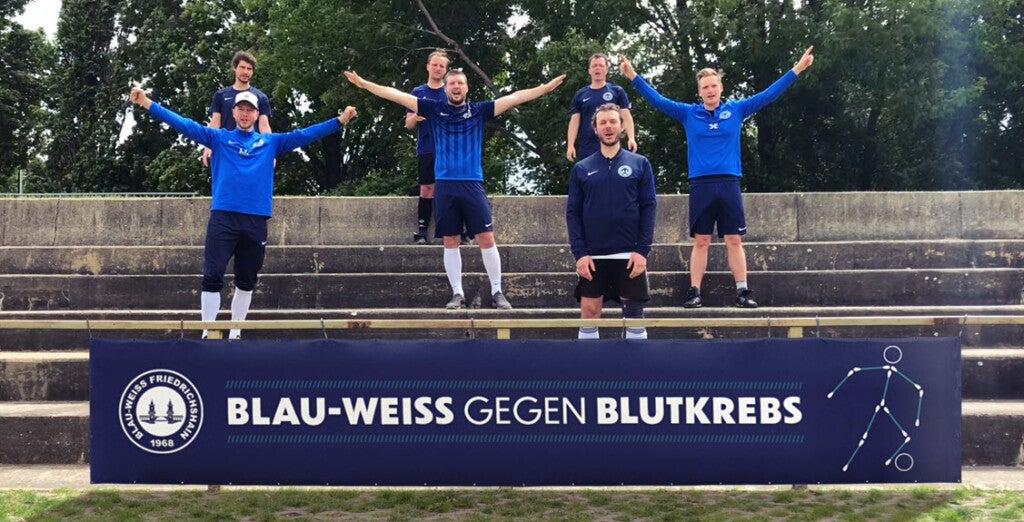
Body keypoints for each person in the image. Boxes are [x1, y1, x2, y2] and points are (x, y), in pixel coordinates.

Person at [129, 86, 357, 338]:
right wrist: (147, 102)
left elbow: (304, 135)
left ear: (257, 114)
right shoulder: (218, 137)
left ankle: (236, 332)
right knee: (212, 275)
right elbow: (184, 125)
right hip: (224, 216)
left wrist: (340, 120)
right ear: (234, 112)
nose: (246, 114)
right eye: (241, 109)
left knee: (247, 278)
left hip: (255, 219)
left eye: (251, 110)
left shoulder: (270, 142)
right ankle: (208, 331)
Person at [345, 68, 565, 310]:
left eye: (461, 83)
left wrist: (545, 88)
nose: (457, 87)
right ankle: (457, 293)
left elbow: (514, 98)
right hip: (445, 185)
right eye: (452, 83)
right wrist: (365, 83)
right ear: (446, 88)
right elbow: (395, 95)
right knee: (450, 240)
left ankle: (497, 291)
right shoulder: (433, 108)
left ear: (467, 87)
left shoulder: (480, 110)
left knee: (486, 238)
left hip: (472, 183)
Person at [619, 47, 815, 308]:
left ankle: (743, 291)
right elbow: (658, 100)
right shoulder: (688, 112)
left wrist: (796, 70)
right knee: (701, 241)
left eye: (714, 85)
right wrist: (633, 76)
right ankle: (695, 292)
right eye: (705, 87)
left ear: (721, 88)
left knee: (734, 239)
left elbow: (768, 95)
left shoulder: (737, 109)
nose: (710, 90)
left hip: (729, 181)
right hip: (701, 183)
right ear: (699, 92)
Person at [566, 103, 656, 339]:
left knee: (635, 317)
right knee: (589, 312)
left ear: (622, 126)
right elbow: (573, 213)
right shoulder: (581, 169)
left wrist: (642, 251)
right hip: (593, 256)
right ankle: (589, 372)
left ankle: (636, 372)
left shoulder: (640, 164)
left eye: (613, 121)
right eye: (603, 122)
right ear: (595, 129)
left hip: (630, 255)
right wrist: (580, 254)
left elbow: (649, 208)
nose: (608, 127)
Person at [406, 49, 469, 245]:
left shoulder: (450, 90)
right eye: (435, 64)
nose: (438, 68)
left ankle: (461, 229)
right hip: (427, 147)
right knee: (427, 189)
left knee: (456, 187)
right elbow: (408, 123)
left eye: (442, 66)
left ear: (446, 70)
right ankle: (423, 231)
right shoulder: (418, 93)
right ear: (428, 66)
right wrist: (416, 118)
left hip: (451, 148)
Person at [201, 51, 273, 167]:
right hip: (225, 149)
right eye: (242, 67)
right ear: (235, 67)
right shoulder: (220, 95)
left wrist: (270, 152)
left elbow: (264, 126)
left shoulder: (261, 97)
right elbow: (215, 123)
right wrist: (208, 146)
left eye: (249, 69)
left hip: (251, 151)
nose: (245, 72)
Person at [566, 54, 637, 162]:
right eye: (594, 66)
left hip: (612, 145)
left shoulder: (617, 91)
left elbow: (626, 115)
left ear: (606, 69)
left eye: (601, 65)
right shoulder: (580, 94)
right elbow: (574, 121)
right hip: (588, 147)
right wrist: (570, 145)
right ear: (589, 70)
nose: (597, 68)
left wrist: (631, 138)